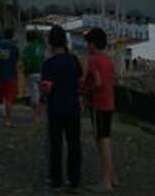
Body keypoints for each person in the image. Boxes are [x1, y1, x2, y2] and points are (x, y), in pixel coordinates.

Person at [40, 26, 83, 191]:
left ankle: (56, 179)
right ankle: (74, 179)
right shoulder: (73, 60)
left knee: (56, 144)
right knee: (74, 143)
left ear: (50, 42)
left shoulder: (49, 64)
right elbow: (80, 83)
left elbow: (47, 88)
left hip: (56, 108)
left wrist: (43, 93)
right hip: (73, 107)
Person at [84, 27, 118, 192]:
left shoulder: (94, 60)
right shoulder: (108, 59)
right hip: (109, 103)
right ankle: (111, 176)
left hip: (98, 104)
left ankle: (106, 180)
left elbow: (97, 82)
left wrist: (86, 91)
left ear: (92, 44)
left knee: (102, 141)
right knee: (106, 140)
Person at [0, 28, 20, 127]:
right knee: (8, 98)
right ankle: (8, 120)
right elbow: (17, 59)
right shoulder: (14, 47)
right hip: (11, 74)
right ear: (12, 35)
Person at [22, 29, 46, 126]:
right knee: (40, 95)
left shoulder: (27, 48)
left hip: (31, 73)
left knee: (34, 95)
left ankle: (35, 117)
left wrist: (25, 71)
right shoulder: (41, 46)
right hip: (42, 72)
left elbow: (26, 62)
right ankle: (39, 116)